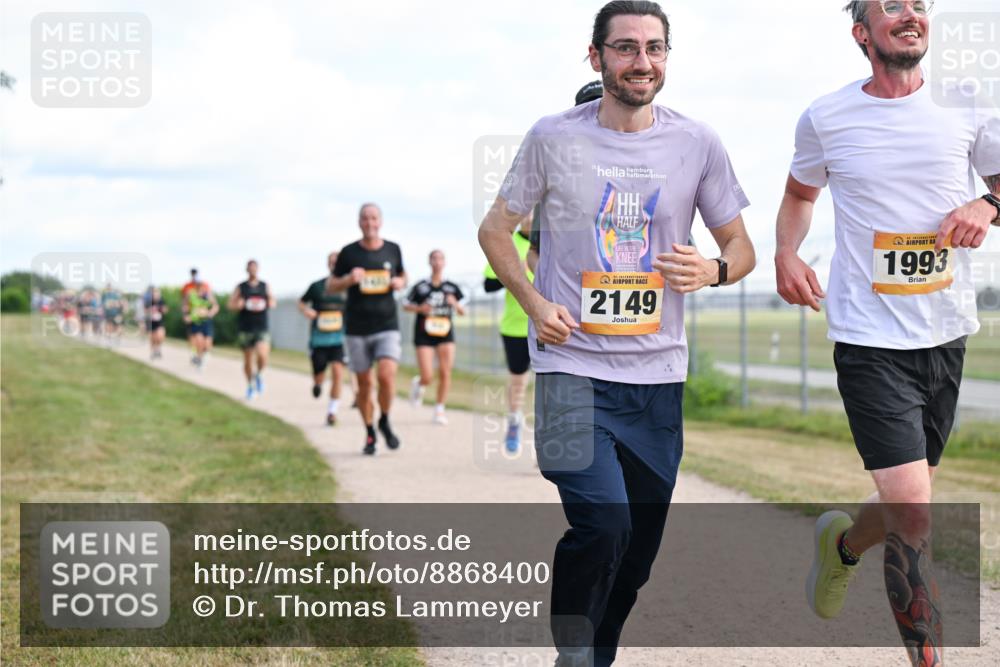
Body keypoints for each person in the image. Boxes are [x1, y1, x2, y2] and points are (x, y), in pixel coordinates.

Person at [478, 2, 755, 664]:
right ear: (595, 55)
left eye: (655, 48)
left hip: (657, 379)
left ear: (667, 57)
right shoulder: (552, 136)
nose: (642, 61)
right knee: (603, 522)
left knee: (634, 555)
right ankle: (574, 651)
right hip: (570, 367)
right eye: (626, 48)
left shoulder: (698, 142)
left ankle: (598, 651)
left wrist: (713, 268)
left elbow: (742, 247)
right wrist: (533, 298)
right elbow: (495, 229)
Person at [776, 3, 1000, 665]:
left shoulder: (968, 107)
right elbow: (799, 194)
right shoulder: (827, 116)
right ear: (862, 34)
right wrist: (787, 251)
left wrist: (985, 204)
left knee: (909, 496)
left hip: (945, 332)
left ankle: (841, 544)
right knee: (914, 508)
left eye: (919, 5)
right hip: (869, 338)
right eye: (892, 5)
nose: (910, 13)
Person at [327, 203, 407, 455]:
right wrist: (348, 279)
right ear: (359, 222)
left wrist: (399, 282)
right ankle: (370, 431)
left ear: (380, 221)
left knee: (386, 375)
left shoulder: (393, 249)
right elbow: (331, 286)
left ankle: (384, 418)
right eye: (365, 218)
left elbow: (405, 276)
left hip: (387, 325)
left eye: (373, 218)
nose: (369, 222)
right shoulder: (348, 253)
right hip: (357, 328)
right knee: (363, 384)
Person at [527, 80, 605, 274]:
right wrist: (548, 294)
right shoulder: (555, 180)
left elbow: (686, 254)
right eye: (587, 112)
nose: (596, 119)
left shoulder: (649, 172)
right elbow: (534, 252)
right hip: (572, 301)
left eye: (603, 107)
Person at [484, 223, 533, 453]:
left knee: (549, 384)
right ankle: (514, 421)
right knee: (518, 381)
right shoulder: (507, 242)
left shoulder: (552, 241)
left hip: (549, 325)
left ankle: (546, 440)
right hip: (515, 327)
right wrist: (514, 272)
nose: (531, 217)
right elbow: (489, 285)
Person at [404, 249, 466, 425]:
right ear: (429, 262)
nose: (437, 262)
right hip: (424, 334)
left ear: (444, 263)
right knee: (428, 375)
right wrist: (419, 308)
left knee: (446, 372)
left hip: (445, 333)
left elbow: (462, 311)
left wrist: (455, 304)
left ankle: (439, 409)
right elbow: (405, 304)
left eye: (440, 259)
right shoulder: (421, 286)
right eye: (434, 259)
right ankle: (419, 383)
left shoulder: (452, 287)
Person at [300, 251, 348, 425]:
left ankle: (332, 412)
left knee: (337, 372)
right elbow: (301, 302)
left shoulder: (347, 288)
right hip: (319, 339)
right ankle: (317, 384)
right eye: (332, 262)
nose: (334, 264)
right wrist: (307, 311)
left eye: (337, 262)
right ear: (328, 264)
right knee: (319, 373)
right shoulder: (317, 286)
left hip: (338, 339)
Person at [228, 259, 275, 400]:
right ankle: (250, 385)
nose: (253, 270)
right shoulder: (241, 287)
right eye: (250, 268)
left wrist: (266, 303)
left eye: (255, 268)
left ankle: (259, 374)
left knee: (262, 355)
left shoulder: (264, 286)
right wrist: (238, 304)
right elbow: (230, 304)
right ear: (247, 270)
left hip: (261, 326)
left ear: (258, 269)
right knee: (248, 359)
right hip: (246, 327)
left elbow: (273, 301)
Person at [182, 270, 218, 370]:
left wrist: (209, 313)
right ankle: (199, 359)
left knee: (207, 345)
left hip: (206, 321)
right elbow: (185, 306)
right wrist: (186, 316)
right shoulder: (190, 293)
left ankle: (201, 357)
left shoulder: (208, 294)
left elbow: (215, 306)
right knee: (199, 341)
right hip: (195, 321)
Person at [146, 287, 168, 360]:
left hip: (160, 322)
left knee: (160, 336)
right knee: (152, 338)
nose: (156, 295)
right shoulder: (149, 301)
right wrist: (150, 311)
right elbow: (145, 311)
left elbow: (166, 310)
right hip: (151, 322)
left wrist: (161, 309)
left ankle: (158, 349)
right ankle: (153, 352)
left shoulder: (162, 301)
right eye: (154, 293)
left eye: (157, 293)